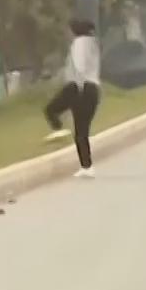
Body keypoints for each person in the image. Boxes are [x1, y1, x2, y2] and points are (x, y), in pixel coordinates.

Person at [43, 19, 103, 178]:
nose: (67, 34)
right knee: (81, 130)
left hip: (80, 87)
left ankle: (59, 130)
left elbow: (80, 67)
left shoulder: (79, 43)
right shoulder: (93, 43)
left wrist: (77, 88)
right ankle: (86, 166)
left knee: (51, 110)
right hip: (93, 89)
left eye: (68, 30)